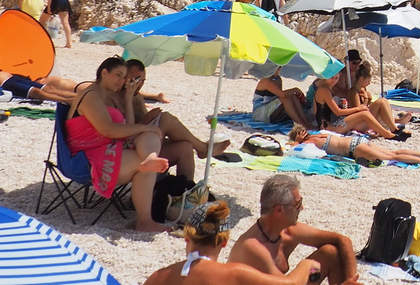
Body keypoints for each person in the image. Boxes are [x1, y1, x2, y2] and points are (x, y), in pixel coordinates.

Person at [65, 57, 170, 232]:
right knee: (147, 154)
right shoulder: (91, 96)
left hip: (110, 146)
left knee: (148, 136)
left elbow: (126, 127)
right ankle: (144, 221)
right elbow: (109, 130)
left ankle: (150, 157)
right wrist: (143, 127)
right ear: (104, 73)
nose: (121, 81)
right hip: (89, 156)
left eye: (124, 77)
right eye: (118, 75)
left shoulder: (107, 95)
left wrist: (129, 98)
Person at [143, 200, 320, 285]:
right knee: (324, 258)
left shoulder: (158, 277)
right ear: (224, 242)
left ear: (187, 238)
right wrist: (308, 264)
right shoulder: (235, 273)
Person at [229, 175, 356, 284]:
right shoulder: (253, 246)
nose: (302, 208)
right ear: (279, 210)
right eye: (298, 204)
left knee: (330, 253)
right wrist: (306, 266)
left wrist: (351, 280)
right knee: (312, 266)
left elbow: (342, 240)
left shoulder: (289, 231)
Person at [125, 59, 230, 172]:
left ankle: (187, 187)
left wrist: (154, 97)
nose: (139, 84)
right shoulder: (118, 97)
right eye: (135, 79)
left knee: (185, 147)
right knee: (165, 118)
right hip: (132, 148)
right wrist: (146, 118)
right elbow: (124, 131)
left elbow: (142, 100)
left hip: (148, 142)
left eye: (142, 80)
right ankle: (203, 148)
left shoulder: (136, 94)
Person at [289, 125, 420, 167]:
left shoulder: (311, 140)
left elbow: (293, 150)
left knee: (392, 156)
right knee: (393, 152)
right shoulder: (317, 136)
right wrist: (299, 139)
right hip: (357, 141)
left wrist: (297, 141)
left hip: (354, 148)